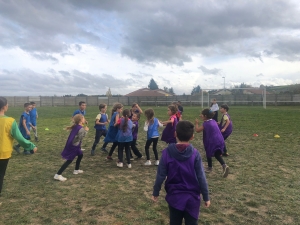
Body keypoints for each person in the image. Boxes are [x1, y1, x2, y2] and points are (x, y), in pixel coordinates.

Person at [152, 120, 210, 225]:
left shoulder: (166, 153)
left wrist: (156, 191)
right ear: (192, 136)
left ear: (175, 134)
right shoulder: (196, 154)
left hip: (175, 197)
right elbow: (201, 176)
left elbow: (161, 175)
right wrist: (206, 196)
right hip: (192, 199)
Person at [0, 97, 37, 195]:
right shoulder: (10, 121)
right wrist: (31, 146)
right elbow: (20, 138)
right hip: (2, 154)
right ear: (4, 107)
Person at [195, 109, 229, 178]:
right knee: (216, 154)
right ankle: (223, 166)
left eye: (202, 115)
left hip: (212, 141)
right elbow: (212, 122)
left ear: (205, 116)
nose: (200, 116)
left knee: (209, 152)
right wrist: (203, 117)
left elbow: (197, 130)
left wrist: (196, 123)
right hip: (219, 139)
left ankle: (212, 167)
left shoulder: (205, 124)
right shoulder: (213, 121)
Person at [54, 114, 89, 182]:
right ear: (80, 120)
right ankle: (58, 174)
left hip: (73, 144)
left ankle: (76, 170)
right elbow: (81, 137)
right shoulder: (80, 128)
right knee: (69, 160)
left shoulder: (76, 126)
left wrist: (84, 125)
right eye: (83, 118)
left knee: (80, 155)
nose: (85, 119)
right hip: (74, 146)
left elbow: (80, 130)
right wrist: (86, 130)